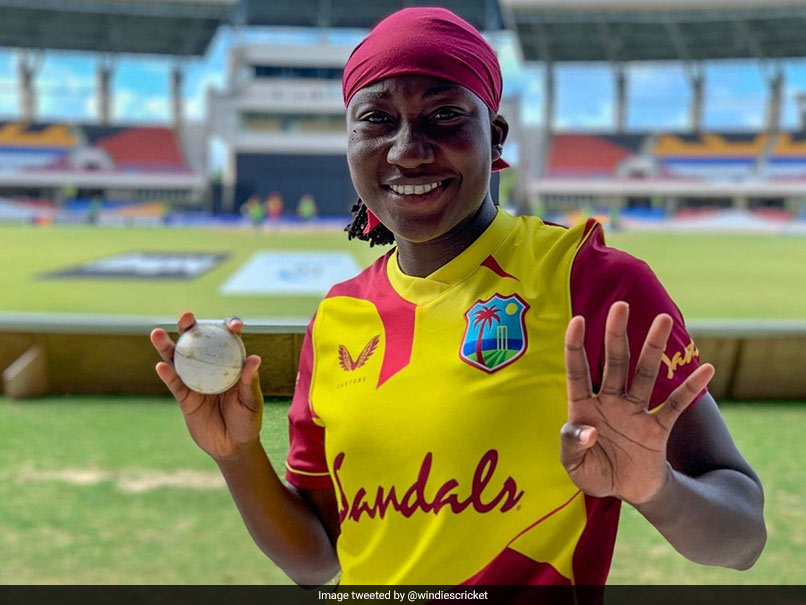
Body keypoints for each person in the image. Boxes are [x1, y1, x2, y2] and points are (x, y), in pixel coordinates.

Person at [150, 8, 765, 587]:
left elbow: (742, 540)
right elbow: (320, 560)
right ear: (348, 139)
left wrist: (655, 487)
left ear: (495, 135)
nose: (407, 149)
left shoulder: (591, 282)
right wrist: (235, 454)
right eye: (376, 119)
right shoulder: (339, 317)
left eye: (444, 115)